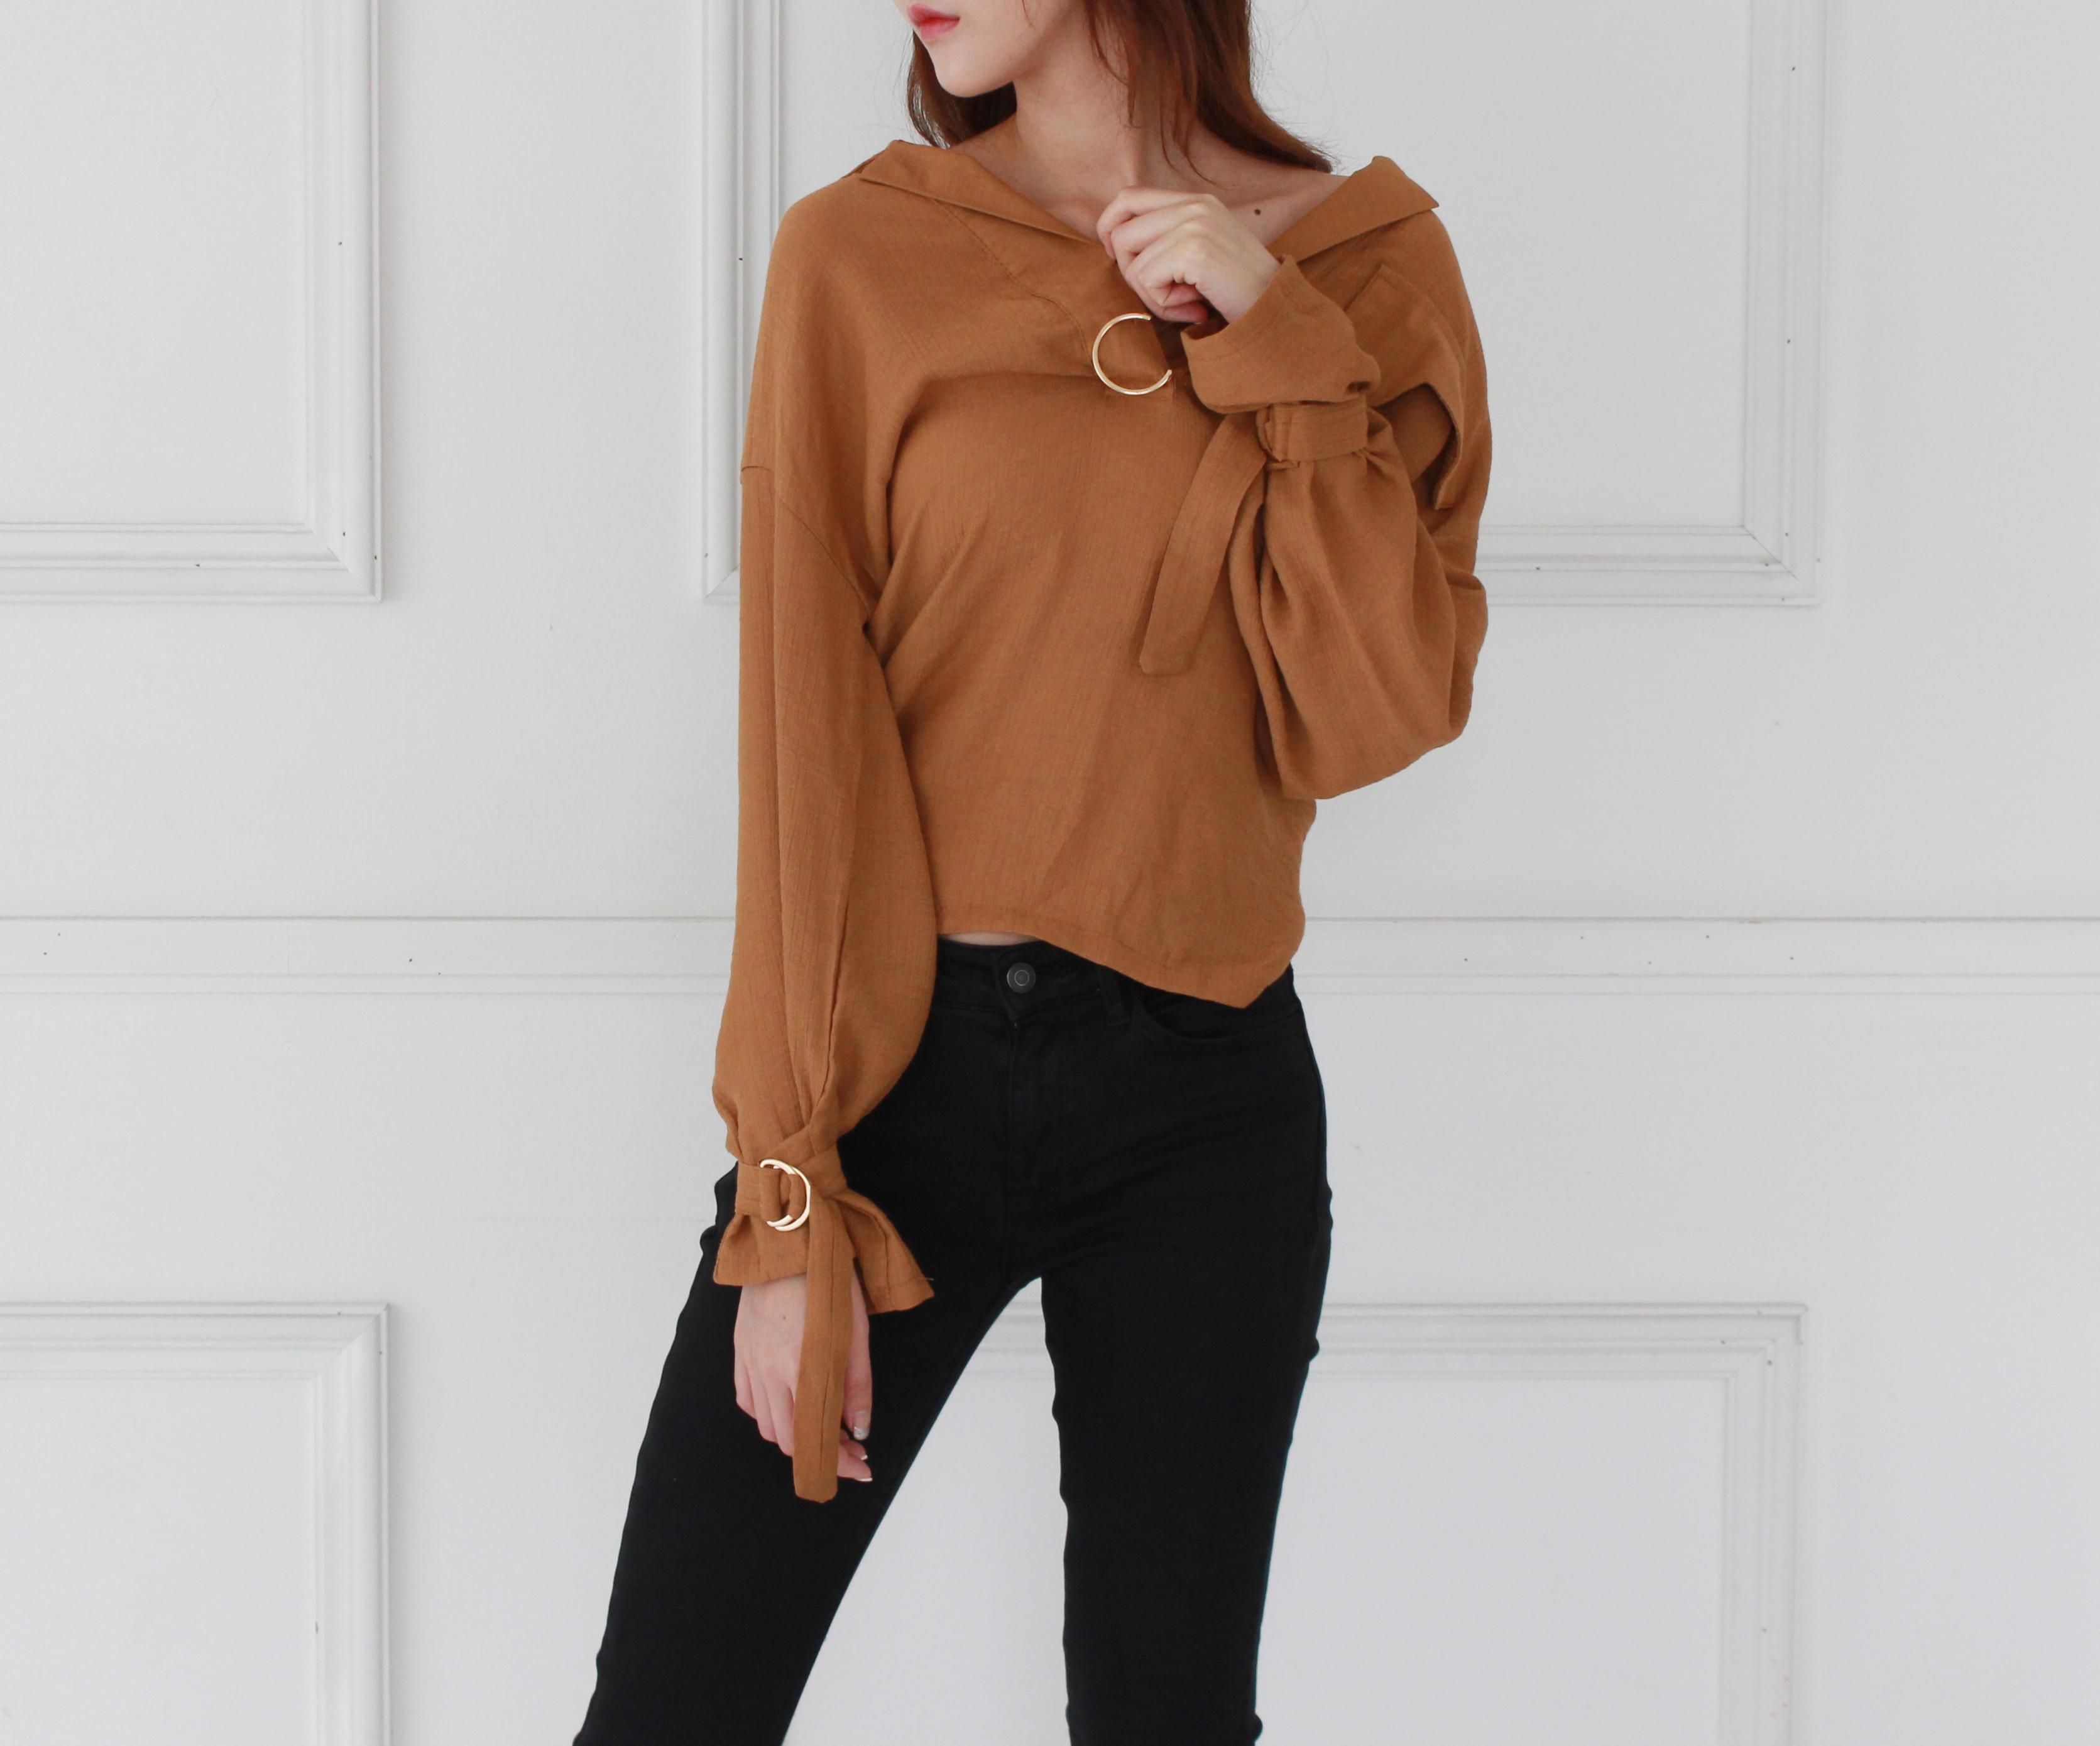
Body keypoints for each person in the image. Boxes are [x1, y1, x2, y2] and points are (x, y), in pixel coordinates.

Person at [574, 0, 1490, 1737]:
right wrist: (787, 1188)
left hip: (1205, 1095)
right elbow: (802, 733)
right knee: (677, 1708)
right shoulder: (862, 254)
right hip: (890, 1088)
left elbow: (1378, 711)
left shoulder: (1368, 265)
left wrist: (1279, 338)